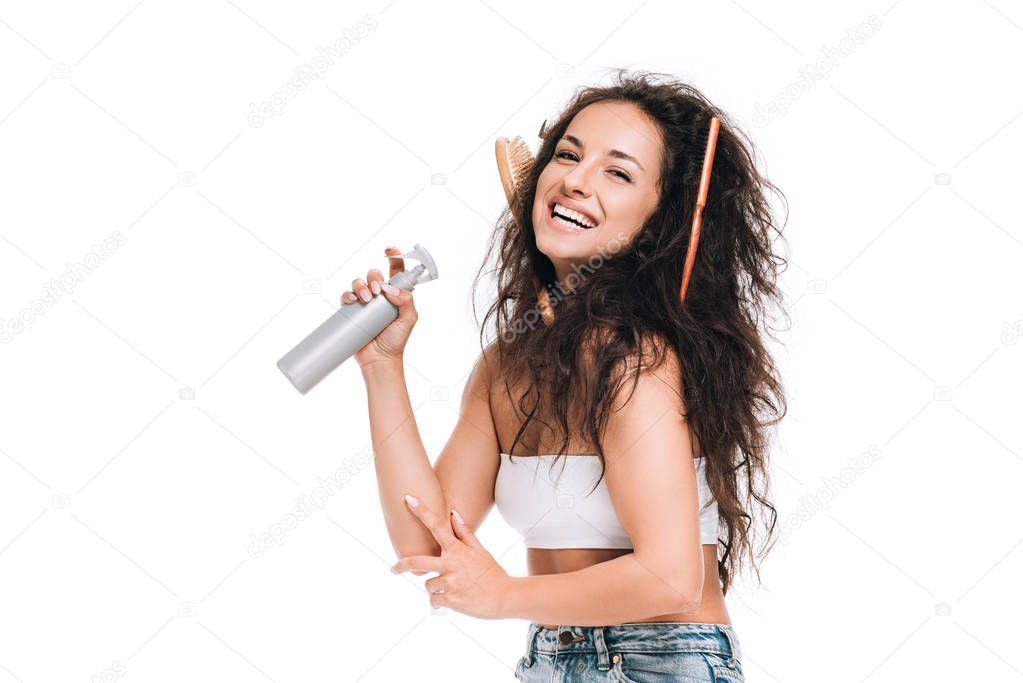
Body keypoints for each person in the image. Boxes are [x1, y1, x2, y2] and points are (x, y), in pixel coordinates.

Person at [340, 68, 788, 681]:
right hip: (553, 662)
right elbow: (428, 547)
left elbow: (671, 578)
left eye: (618, 171)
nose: (574, 180)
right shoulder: (507, 365)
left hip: (659, 664)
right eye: (568, 155)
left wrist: (502, 597)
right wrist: (383, 367)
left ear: (663, 222)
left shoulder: (637, 360)